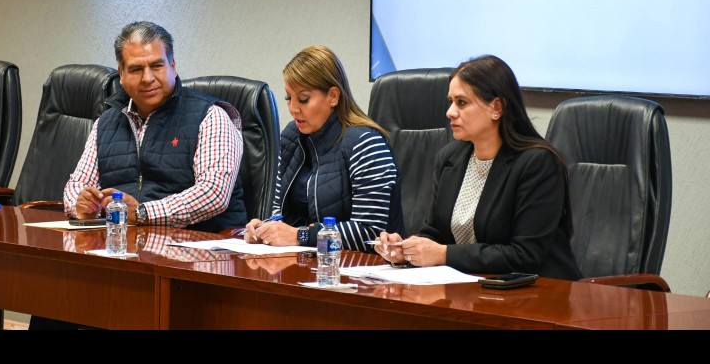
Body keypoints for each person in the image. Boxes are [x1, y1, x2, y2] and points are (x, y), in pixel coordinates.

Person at [30, 21, 247, 329]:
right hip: (122, 254)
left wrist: (143, 213)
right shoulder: (107, 122)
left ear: (173, 66)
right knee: (54, 296)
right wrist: (81, 204)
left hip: (189, 262)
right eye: (135, 69)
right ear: (121, 74)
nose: (148, 78)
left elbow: (214, 193)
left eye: (157, 66)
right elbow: (77, 183)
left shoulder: (211, 116)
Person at [375, 54, 582, 280]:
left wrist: (443, 254)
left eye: (461, 103)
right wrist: (406, 250)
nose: (450, 112)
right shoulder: (450, 157)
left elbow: (524, 255)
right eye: (450, 101)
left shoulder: (537, 163)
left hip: (538, 291)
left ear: (496, 108)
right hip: (472, 287)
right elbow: (435, 234)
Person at [242, 45, 403, 252]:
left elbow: (370, 233)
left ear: (333, 96)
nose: (293, 108)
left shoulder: (366, 143)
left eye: (303, 99)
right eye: (288, 98)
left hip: (359, 265)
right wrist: (265, 228)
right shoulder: (291, 137)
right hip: (306, 259)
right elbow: (279, 211)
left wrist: (300, 236)